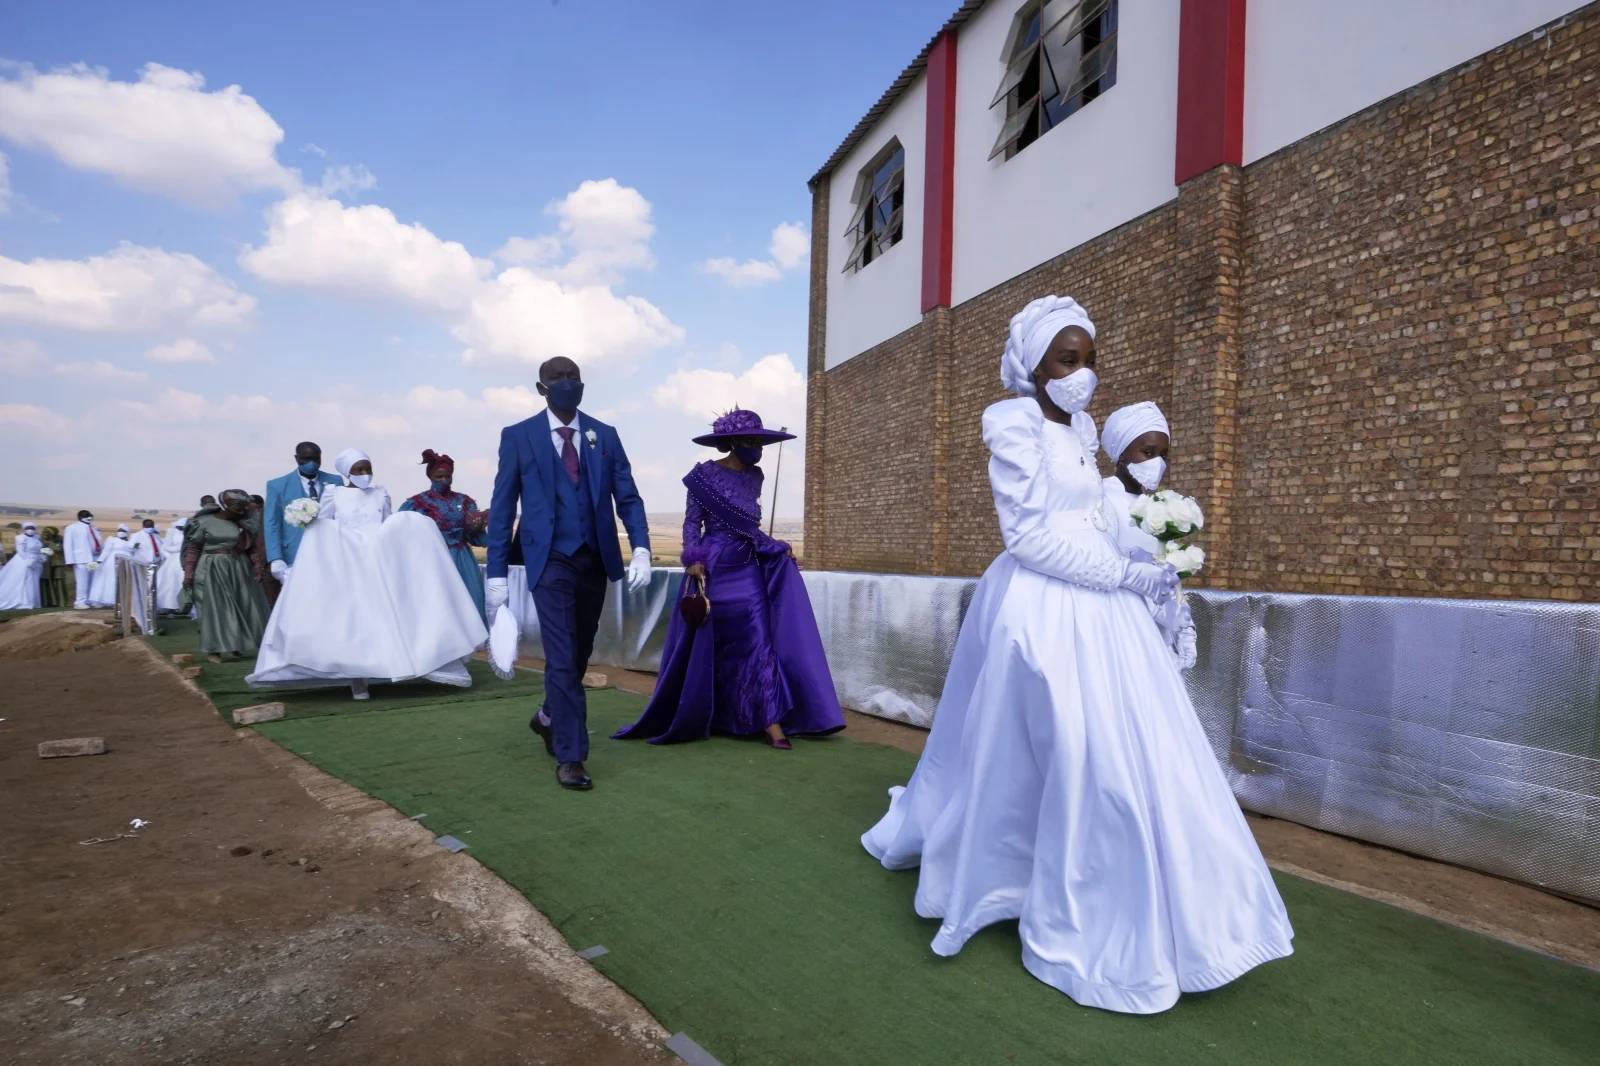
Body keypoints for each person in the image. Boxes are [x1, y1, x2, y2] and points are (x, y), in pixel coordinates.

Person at [860, 296, 1293, 1015]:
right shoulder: (1010, 423)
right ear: (1033, 363)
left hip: (1105, 610)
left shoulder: (1088, 428)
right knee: (1061, 747)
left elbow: (1089, 510)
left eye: (1089, 359)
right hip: (1041, 607)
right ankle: (1034, 884)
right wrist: (1121, 574)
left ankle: (1155, 900)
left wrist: (1142, 553)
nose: (1082, 373)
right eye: (1069, 359)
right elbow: (1028, 537)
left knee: (1120, 751)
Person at [614, 410, 844, 749]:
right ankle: (715, 714)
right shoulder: (702, 477)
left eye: (761, 442)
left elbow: (750, 529)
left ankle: (771, 721)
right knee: (711, 645)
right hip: (712, 569)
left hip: (746, 567)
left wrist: (777, 548)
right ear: (733, 443)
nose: (759, 448)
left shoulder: (757, 476)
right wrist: (692, 558)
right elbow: (692, 524)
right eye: (752, 442)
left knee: (758, 641)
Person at [486, 356, 652, 791]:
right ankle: (571, 755)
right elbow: (503, 507)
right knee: (561, 655)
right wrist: (497, 573)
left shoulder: (604, 435)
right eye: (557, 378)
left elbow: (628, 497)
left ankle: (546, 717)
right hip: (549, 561)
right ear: (541, 388)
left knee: (579, 652)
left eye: (573, 377)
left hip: (593, 558)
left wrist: (641, 548)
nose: (566, 384)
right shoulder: (518, 437)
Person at [247, 448, 487, 699]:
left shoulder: (380, 494)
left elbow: (387, 525)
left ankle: (400, 662)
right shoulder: (334, 494)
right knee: (354, 619)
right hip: (348, 563)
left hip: (378, 561)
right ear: (346, 472)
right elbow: (325, 527)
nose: (364, 474)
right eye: (358, 470)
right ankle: (357, 678)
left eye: (367, 469)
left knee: (386, 616)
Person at [1100, 402, 1198, 670]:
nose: (1157, 463)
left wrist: (1184, 628)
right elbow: (1104, 570)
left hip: (1157, 636)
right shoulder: (1102, 500)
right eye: (1147, 452)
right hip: (1117, 632)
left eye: (1163, 455)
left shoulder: (1158, 508)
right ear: (1121, 453)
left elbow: (1170, 576)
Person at [400, 448, 488, 620]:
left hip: (462, 558)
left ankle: (474, 642)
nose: (444, 480)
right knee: (437, 602)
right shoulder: (417, 502)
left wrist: (475, 528)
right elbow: (401, 529)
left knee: (470, 599)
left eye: (448, 476)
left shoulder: (464, 501)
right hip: (433, 558)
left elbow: (476, 537)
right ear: (430, 476)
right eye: (439, 476)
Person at [182, 490, 270, 659]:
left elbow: (251, 549)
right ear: (226, 505)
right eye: (238, 506)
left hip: (239, 568)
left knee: (242, 606)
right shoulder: (203, 522)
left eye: (244, 507)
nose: (242, 510)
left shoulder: (244, 524)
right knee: (215, 609)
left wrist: (257, 568)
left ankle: (236, 644)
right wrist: (189, 573)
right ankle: (214, 649)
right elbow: (193, 549)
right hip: (212, 568)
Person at [263, 442, 344, 586]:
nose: (311, 463)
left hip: (328, 550)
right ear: (297, 458)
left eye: (315, 459)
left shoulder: (335, 481)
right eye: (306, 459)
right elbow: (272, 523)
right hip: (293, 553)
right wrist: (275, 557)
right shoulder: (277, 485)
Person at [0, 523, 47, 610]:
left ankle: (33, 601)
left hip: (36, 561)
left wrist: (44, 554)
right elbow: (20, 550)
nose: (31, 530)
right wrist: (27, 560)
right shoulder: (21, 538)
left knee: (34, 581)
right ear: (24, 529)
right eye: (28, 528)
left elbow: (39, 549)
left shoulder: (36, 538)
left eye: (32, 528)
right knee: (25, 580)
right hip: (24, 561)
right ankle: (25, 602)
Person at [61, 509, 102, 609]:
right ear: (79, 517)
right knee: (82, 581)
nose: (89, 517)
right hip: (80, 559)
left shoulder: (93, 527)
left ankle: (90, 600)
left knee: (92, 580)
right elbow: (68, 545)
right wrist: (69, 560)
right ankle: (80, 602)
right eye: (86, 515)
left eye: (90, 515)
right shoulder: (72, 528)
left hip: (93, 558)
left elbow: (98, 541)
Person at [87, 525, 134, 607]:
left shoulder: (129, 543)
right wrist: (99, 561)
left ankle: (119, 600)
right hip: (111, 562)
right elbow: (106, 551)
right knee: (110, 580)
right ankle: (106, 600)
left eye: (123, 531)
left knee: (122, 580)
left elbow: (131, 552)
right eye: (119, 530)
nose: (120, 532)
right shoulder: (111, 540)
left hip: (125, 562)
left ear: (127, 533)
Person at [156, 518, 187, 613]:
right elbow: (165, 547)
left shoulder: (190, 533)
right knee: (171, 583)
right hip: (173, 560)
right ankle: (171, 606)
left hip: (186, 559)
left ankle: (185, 606)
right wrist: (178, 549)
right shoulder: (172, 533)